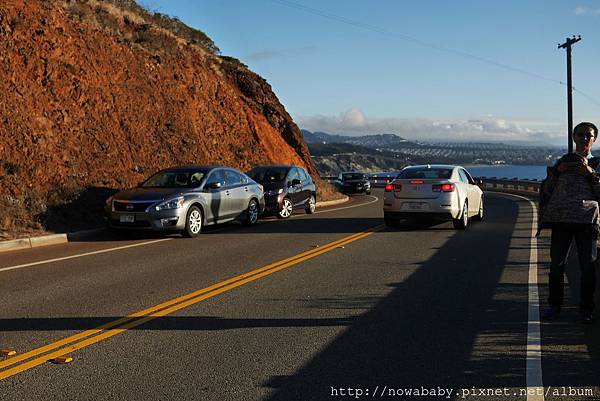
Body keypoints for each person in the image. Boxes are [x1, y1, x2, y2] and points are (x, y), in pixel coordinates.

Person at [540, 122, 600, 323]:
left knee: (588, 267)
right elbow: (547, 190)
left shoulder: (597, 163)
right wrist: (557, 172)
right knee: (556, 266)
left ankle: (586, 309)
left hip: (587, 221)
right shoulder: (563, 161)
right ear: (573, 137)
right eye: (580, 134)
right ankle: (554, 306)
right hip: (561, 220)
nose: (584, 138)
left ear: (594, 139)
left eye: (588, 135)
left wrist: (590, 175)